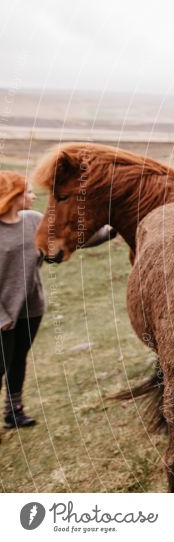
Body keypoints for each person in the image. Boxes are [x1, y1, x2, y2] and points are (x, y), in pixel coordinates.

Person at [0, 171, 46, 429]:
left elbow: (61, 237)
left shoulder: (34, 220)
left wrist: (108, 230)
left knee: (18, 359)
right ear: (13, 195)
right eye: (28, 191)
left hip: (30, 308)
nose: (33, 196)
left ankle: (13, 412)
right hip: (3, 314)